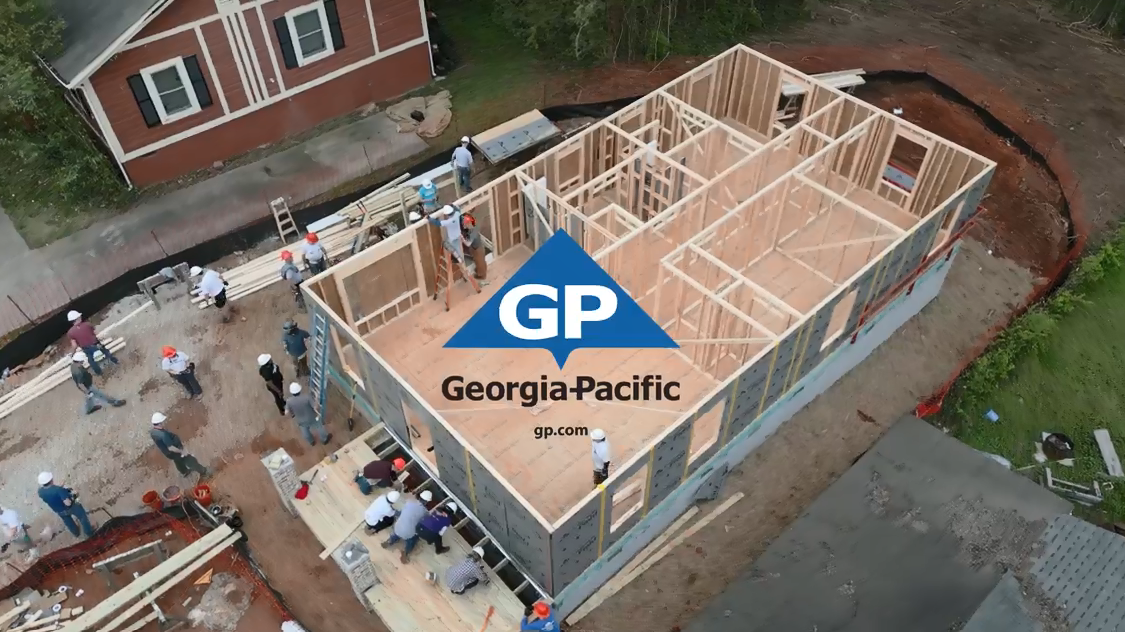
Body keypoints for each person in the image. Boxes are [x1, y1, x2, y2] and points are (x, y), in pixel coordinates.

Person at [149, 412, 208, 478]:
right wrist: (182, 451)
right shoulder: (163, 435)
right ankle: (204, 471)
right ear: (159, 423)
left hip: (167, 453)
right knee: (189, 459)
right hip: (174, 450)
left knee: (177, 460)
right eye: (162, 422)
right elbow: (171, 447)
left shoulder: (153, 432)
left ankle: (184, 471)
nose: (164, 423)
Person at [37, 472, 94, 539]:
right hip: (70, 508)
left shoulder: (40, 491)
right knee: (82, 516)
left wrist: (60, 488)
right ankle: (89, 532)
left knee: (68, 522)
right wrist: (73, 496)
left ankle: (76, 533)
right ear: (51, 480)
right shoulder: (58, 490)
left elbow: (51, 494)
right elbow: (68, 503)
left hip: (59, 511)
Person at [66, 311, 119, 376]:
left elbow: (74, 345)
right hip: (96, 344)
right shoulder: (88, 324)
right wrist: (102, 338)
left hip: (86, 349)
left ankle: (99, 373)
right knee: (106, 352)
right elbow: (97, 335)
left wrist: (72, 354)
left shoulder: (70, 333)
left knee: (91, 361)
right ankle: (115, 361)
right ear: (78, 318)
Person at [381, 492, 429, 563]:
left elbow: (402, 511)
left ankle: (390, 541)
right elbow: (422, 523)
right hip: (408, 534)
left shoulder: (409, 502)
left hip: (397, 527)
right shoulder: (425, 512)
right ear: (427, 501)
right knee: (413, 539)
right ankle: (406, 552)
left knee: (397, 532)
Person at [460, 211, 488, 282]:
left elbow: (468, 243)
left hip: (477, 248)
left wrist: (462, 238)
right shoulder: (472, 227)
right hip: (476, 247)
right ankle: (481, 269)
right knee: (479, 260)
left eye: (464, 224)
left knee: (479, 261)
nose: (463, 225)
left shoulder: (472, 232)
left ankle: (482, 275)